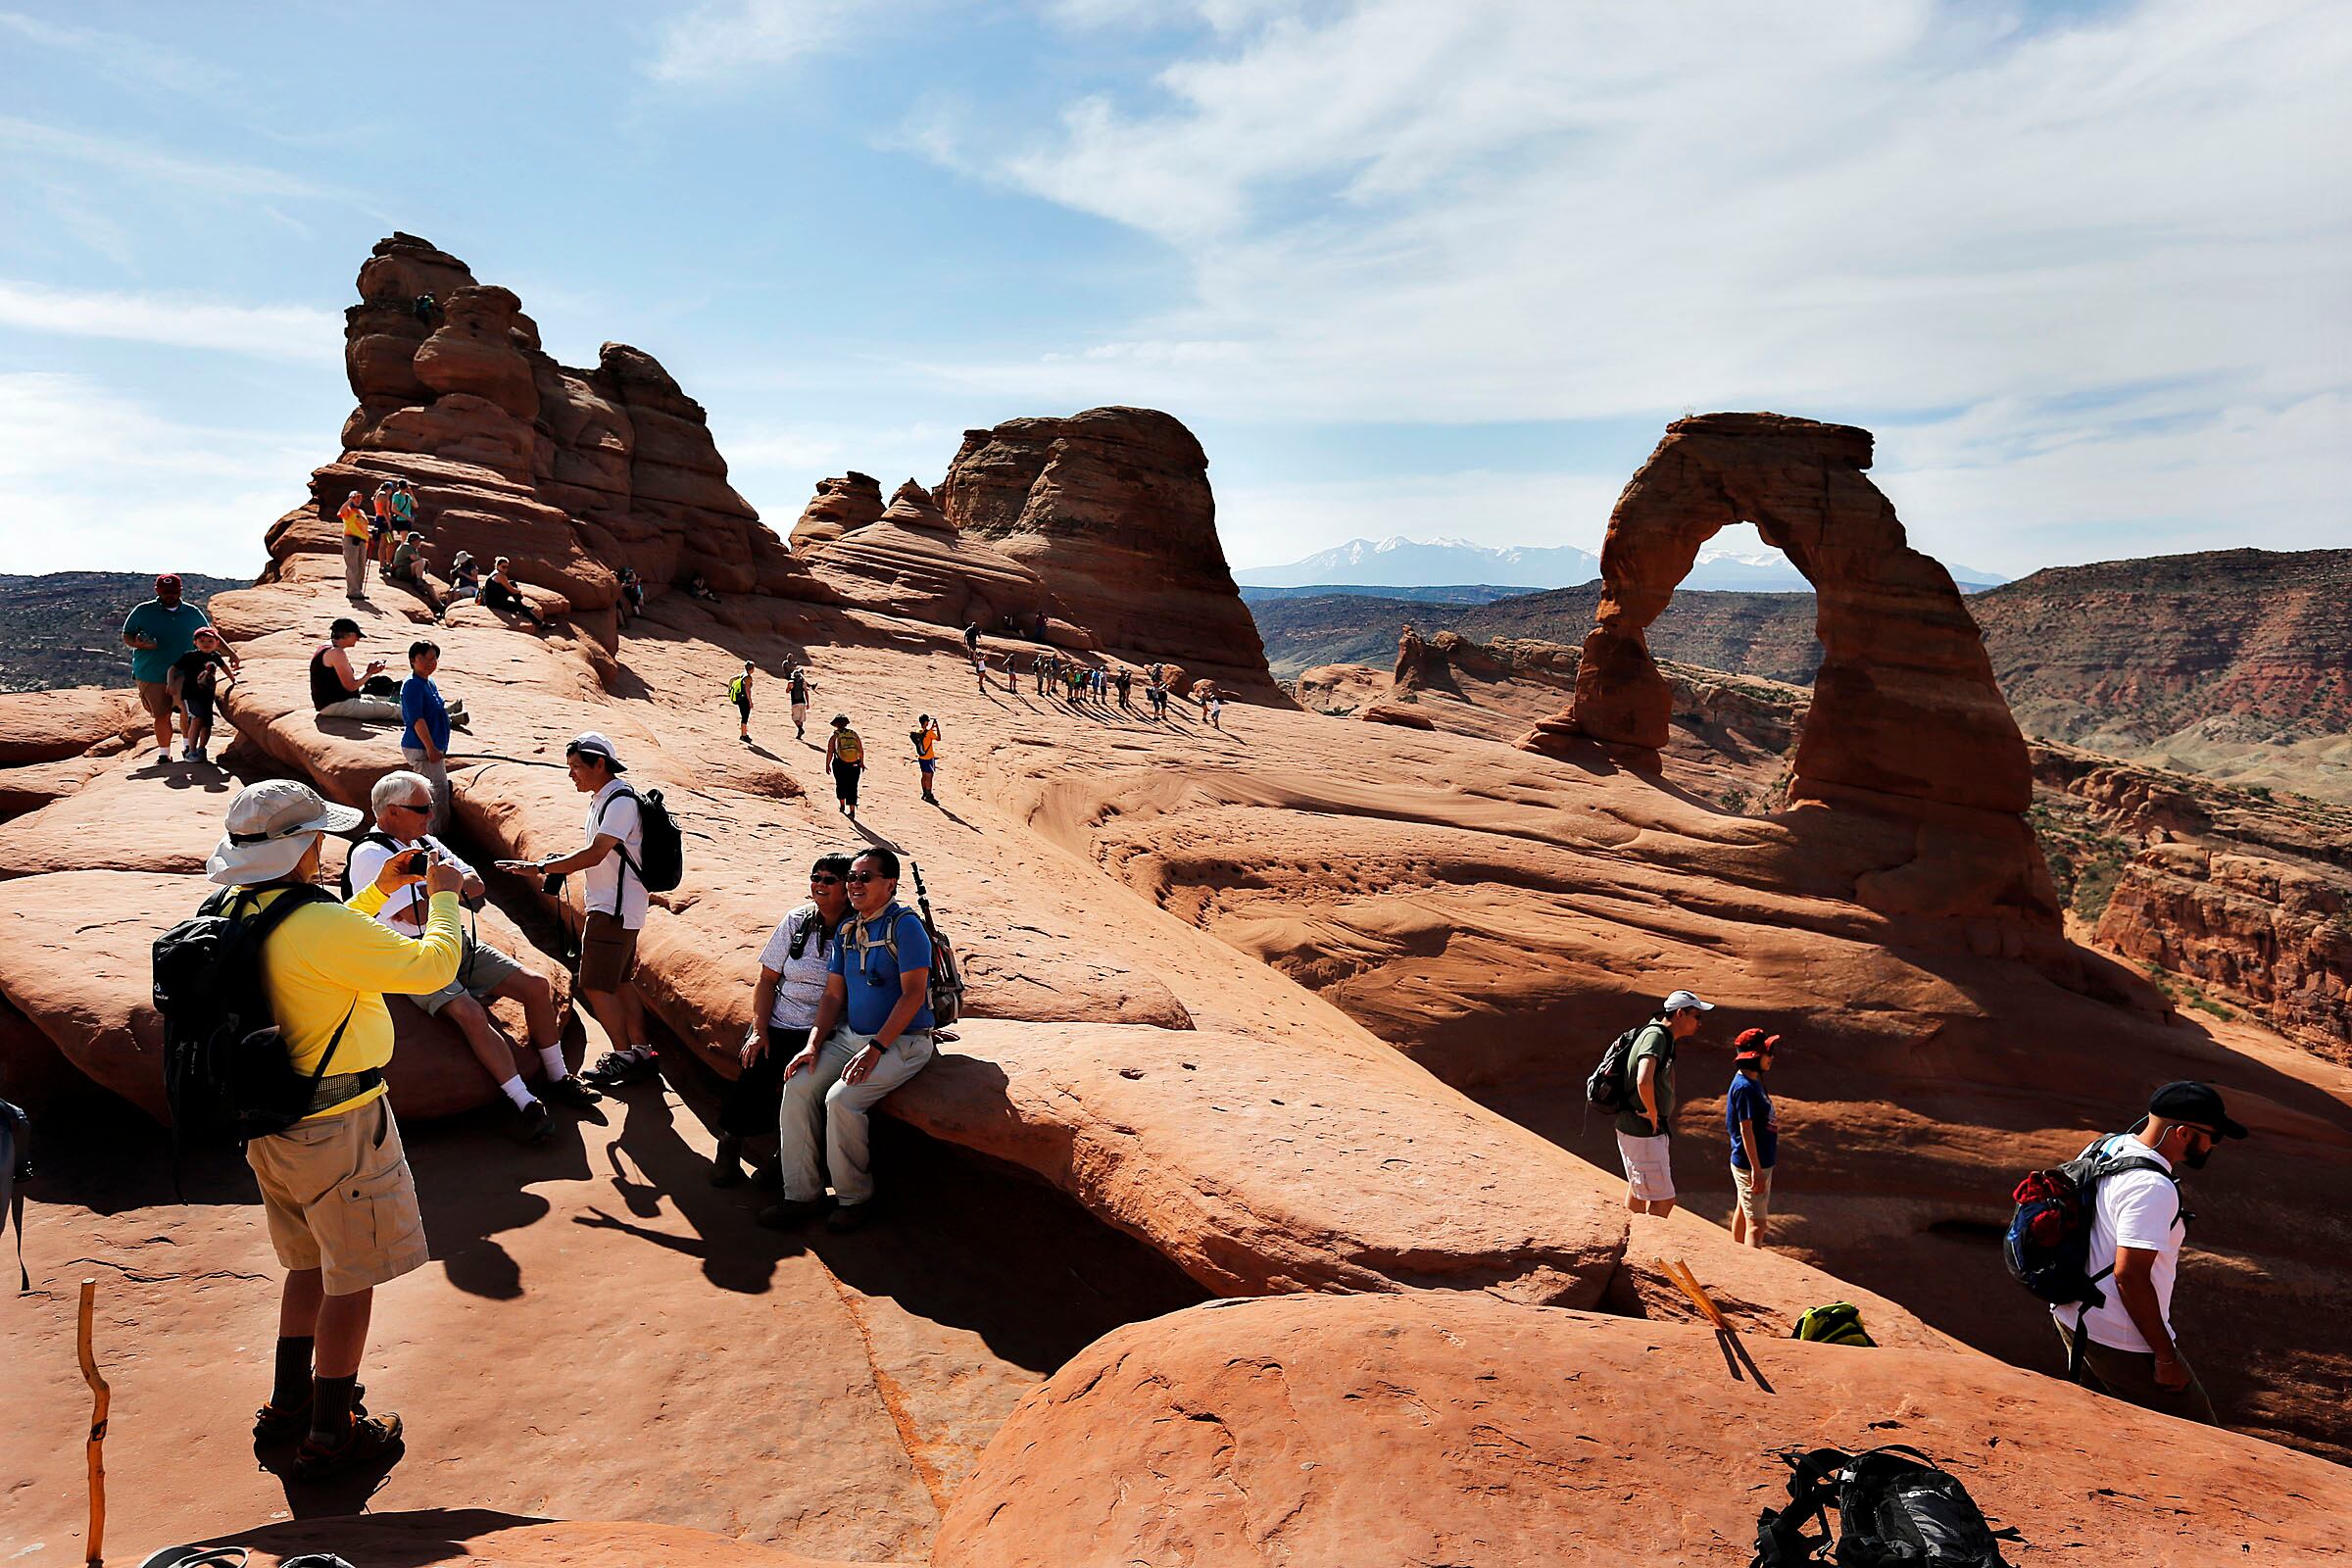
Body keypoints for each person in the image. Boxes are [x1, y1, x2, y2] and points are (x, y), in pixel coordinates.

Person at [207, 778, 465, 1481]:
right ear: (303, 846)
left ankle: (289, 1403)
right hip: (340, 1124)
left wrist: (377, 892)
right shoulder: (315, 920)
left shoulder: (235, 906)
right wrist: (441, 894)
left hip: (270, 1121)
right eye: (318, 835)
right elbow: (433, 965)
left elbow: (315, 949)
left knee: (306, 1263)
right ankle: (332, 1429)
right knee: (353, 1276)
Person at [351, 773, 600, 1145]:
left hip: (452, 939)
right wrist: (447, 887)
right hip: (409, 956)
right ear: (391, 812)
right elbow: (411, 915)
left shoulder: (424, 842)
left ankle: (557, 1076)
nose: (430, 815)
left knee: (535, 986)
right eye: (422, 809)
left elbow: (476, 884)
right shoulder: (371, 855)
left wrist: (441, 890)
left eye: (430, 806)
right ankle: (524, 1102)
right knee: (469, 1012)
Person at [2053, 1081, 2247, 1425]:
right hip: (2121, 1337)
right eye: (2212, 1137)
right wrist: (2165, 1357)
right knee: (2204, 1438)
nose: (2214, 1146)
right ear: (2184, 1133)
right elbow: (2129, 1275)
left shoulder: (2104, 1147)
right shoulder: (2153, 1188)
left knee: (2106, 1427)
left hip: (2073, 1315)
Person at [768, 846, 938, 1233]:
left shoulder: (905, 926)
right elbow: (832, 995)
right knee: (797, 1085)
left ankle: (854, 1198)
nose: (854, 884)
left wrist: (876, 1048)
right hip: (850, 1037)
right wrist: (813, 1044)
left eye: (865, 877)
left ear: (889, 883)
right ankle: (800, 1194)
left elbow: (914, 994)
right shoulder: (849, 930)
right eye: (852, 878)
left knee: (841, 1100)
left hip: (903, 1042)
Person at [512, 734, 657, 1089]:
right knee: (621, 981)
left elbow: (595, 854)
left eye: (577, 767)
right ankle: (641, 1050)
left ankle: (624, 1055)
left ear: (600, 764)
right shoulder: (603, 799)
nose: (572, 774)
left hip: (614, 909)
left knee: (593, 983)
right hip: (618, 905)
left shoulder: (620, 802)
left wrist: (542, 869)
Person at [725, 854, 855, 1191]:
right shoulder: (797, 920)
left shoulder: (857, 928)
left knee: (807, 1093)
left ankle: (782, 1163)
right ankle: (727, 1153)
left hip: (825, 1031)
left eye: (829, 880)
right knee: (752, 1072)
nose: (819, 884)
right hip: (781, 1022)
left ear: (847, 887)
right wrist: (760, 1029)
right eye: (816, 877)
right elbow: (767, 979)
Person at [1615, 990, 1712, 1216]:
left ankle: (1632, 1242)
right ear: (1680, 1013)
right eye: (1696, 1016)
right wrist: (1652, 1112)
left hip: (1638, 1127)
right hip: (1643, 1130)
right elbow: (1643, 1079)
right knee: (1664, 1200)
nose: (1700, 1022)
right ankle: (1646, 1249)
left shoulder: (1661, 1035)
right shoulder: (1656, 1036)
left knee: (1639, 1191)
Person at [122, 572, 213, 760]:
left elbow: (208, 636)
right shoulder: (143, 611)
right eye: (165, 592)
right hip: (151, 673)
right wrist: (140, 644)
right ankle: (164, 754)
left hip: (185, 672)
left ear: (180, 590)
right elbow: (127, 635)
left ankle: (189, 749)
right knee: (161, 716)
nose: (169, 595)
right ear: (157, 591)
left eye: (173, 591)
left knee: (188, 710)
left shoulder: (192, 613)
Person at [397, 640, 465, 836]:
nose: (430, 662)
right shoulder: (412, 685)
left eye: (433, 658)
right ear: (412, 660)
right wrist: (431, 748)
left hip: (431, 746)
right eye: (424, 659)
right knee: (435, 794)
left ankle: (435, 836)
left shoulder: (428, 682)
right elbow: (417, 719)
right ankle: (433, 838)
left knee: (439, 790)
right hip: (422, 747)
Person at [1725, 1028, 1781, 1248]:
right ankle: (1750, 1269)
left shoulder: (1753, 1081)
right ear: (1755, 1056)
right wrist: (1756, 1170)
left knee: (1744, 1207)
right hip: (1752, 1165)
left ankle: (1737, 1253)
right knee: (1757, 1225)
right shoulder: (1745, 1088)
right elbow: (1745, 1130)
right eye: (1769, 1052)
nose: (1772, 1057)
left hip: (1755, 1162)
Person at [168, 625, 241, 765]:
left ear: (216, 643)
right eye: (202, 641)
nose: (206, 644)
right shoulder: (189, 656)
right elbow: (173, 669)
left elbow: (224, 667)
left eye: (210, 641)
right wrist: (170, 684)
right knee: (197, 720)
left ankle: (202, 750)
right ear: (195, 642)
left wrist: (233, 679)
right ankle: (191, 751)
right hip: (191, 695)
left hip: (207, 696)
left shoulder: (215, 656)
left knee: (207, 724)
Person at [310, 618, 404, 725]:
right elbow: (351, 686)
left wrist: (370, 672)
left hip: (336, 701)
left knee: (389, 700)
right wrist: (369, 672)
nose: (358, 639)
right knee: (396, 710)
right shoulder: (336, 652)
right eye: (357, 636)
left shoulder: (326, 647)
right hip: (337, 705)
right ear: (349, 635)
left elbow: (347, 682)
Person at [480, 558, 545, 627]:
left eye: (507, 567)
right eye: (503, 567)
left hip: (491, 601)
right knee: (519, 605)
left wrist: (516, 592)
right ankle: (540, 623)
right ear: (498, 566)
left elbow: (509, 587)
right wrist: (519, 592)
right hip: (495, 604)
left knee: (512, 583)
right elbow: (512, 590)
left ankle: (521, 607)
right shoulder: (500, 576)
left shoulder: (495, 573)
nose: (505, 569)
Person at [826, 714, 864, 818]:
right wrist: (861, 762)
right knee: (853, 786)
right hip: (854, 763)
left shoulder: (835, 736)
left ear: (836, 725)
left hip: (840, 763)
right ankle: (852, 812)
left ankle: (842, 806)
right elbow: (860, 749)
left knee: (840, 783)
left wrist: (827, 764)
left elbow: (830, 751)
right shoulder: (853, 734)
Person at [337, 491, 371, 600]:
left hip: (362, 541)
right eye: (355, 498)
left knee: (361, 567)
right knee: (352, 566)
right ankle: (352, 591)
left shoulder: (361, 512)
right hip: (351, 539)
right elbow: (341, 512)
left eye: (359, 498)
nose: (358, 500)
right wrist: (349, 501)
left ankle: (358, 591)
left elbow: (364, 526)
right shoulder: (348, 510)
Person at [911, 714, 941, 804]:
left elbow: (926, 734)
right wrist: (937, 728)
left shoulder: (919, 731)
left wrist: (932, 728)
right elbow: (938, 738)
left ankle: (924, 793)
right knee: (929, 776)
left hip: (921, 757)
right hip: (928, 757)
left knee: (924, 775)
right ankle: (929, 795)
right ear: (926, 722)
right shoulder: (929, 733)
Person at [731, 660, 756, 744]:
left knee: (743, 717)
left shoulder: (742, 675)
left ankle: (743, 734)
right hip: (744, 699)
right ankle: (743, 735)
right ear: (751, 669)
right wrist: (750, 701)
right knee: (745, 717)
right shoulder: (748, 678)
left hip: (740, 698)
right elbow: (748, 690)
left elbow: (732, 679)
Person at [787, 663, 813, 740]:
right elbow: (806, 693)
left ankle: (800, 729)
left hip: (795, 703)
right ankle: (799, 734)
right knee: (801, 719)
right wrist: (808, 703)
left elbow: (787, 691)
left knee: (795, 719)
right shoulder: (803, 683)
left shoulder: (790, 683)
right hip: (803, 702)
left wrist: (790, 687)